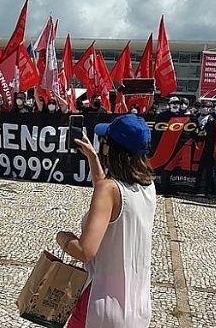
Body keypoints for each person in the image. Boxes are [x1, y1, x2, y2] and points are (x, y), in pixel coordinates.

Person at [57, 114, 155, 328]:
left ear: (111, 149)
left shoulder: (108, 190)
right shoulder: (148, 186)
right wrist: (93, 158)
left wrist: (63, 239)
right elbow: (114, 197)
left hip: (100, 305)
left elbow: (85, 251)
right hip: (136, 307)